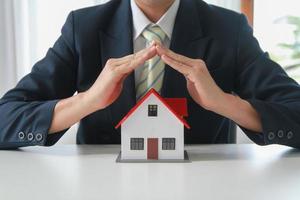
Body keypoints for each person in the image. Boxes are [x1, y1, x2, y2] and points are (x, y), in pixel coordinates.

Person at [1, 0, 300, 149]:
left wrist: (224, 103)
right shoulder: (84, 27)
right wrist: (88, 101)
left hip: (205, 186)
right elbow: (6, 118)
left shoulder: (228, 29)